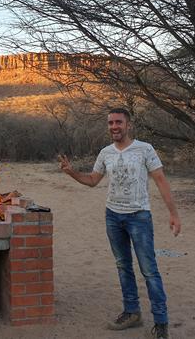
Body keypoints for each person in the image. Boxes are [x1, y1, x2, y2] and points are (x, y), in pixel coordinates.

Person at [58, 108, 181, 339]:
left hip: (139, 217)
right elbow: (93, 180)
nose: (114, 126)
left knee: (149, 270)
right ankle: (132, 312)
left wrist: (173, 213)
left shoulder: (145, 149)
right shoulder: (106, 153)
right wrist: (71, 172)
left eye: (118, 122)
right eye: (111, 123)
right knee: (123, 266)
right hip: (113, 216)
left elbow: (161, 180)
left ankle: (161, 323)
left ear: (128, 124)